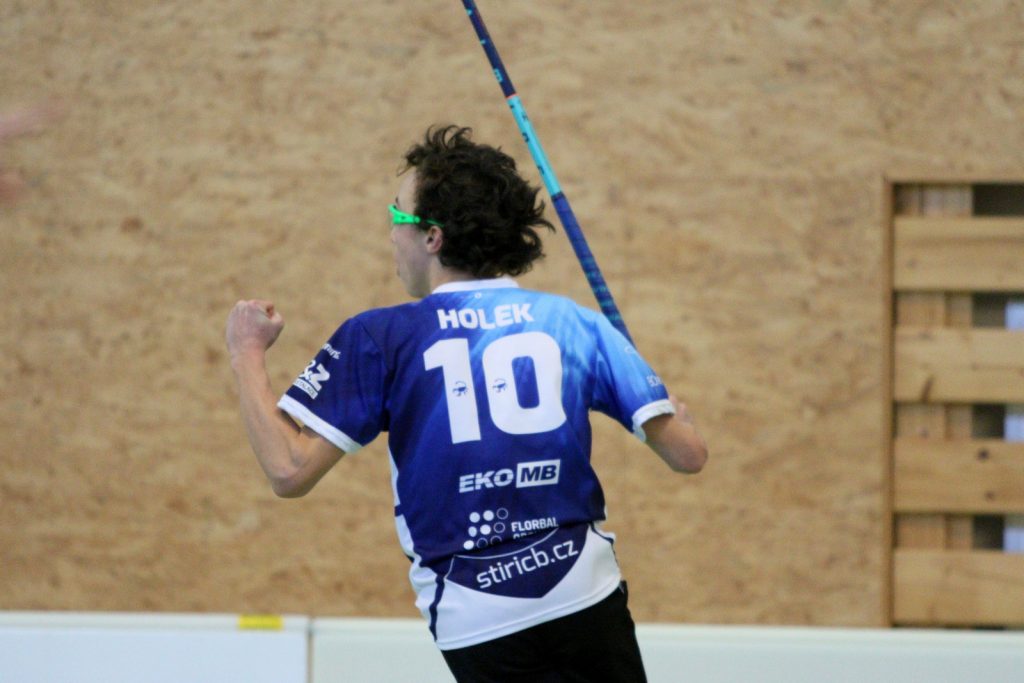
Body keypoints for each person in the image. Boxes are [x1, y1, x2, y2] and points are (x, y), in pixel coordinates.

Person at [226, 125, 707, 682]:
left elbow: (289, 470)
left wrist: (246, 352)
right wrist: (679, 416)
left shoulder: (381, 336)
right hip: (584, 591)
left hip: (477, 614)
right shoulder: (573, 321)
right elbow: (688, 454)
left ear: (433, 237)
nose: (391, 234)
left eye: (397, 215)